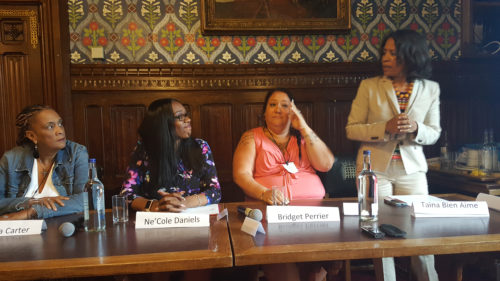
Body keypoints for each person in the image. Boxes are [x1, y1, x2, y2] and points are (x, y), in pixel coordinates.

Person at [346, 29, 441, 281]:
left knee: (421, 233)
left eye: (393, 53)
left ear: (410, 56)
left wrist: (417, 128)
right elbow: (351, 129)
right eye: (384, 52)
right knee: (379, 235)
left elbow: (434, 133)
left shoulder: (430, 89)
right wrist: (383, 128)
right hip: (374, 170)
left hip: (413, 171)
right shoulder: (369, 86)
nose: (385, 58)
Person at [233, 88, 335, 281]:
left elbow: (326, 164)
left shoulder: (304, 139)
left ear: (293, 111)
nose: (278, 109)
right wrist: (264, 193)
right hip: (269, 214)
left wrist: (303, 125)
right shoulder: (251, 137)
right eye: (272, 104)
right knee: (285, 268)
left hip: (314, 216)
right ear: (264, 113)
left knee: (314, 269)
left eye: (285, 105)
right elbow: (241, 175)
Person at [120, 98, 221, 213]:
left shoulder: (201, 147)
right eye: (180, 117)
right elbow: (126, 194)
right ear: (163, 123)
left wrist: (184, 203)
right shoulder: (143, 150)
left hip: (192, 218)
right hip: (155, 221)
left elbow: (215, 191)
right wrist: (156, 205)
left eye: (186, 115)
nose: (188, 119)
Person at [0, 105, 89, 220]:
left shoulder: (76, 153)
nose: (60, 131)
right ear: (32, 136)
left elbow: (83, 200)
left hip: (65, 229)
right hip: (19, 231)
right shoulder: (11, 159)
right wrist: (31, 202)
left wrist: (32, 212)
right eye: (51, 126)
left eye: (60, 124)